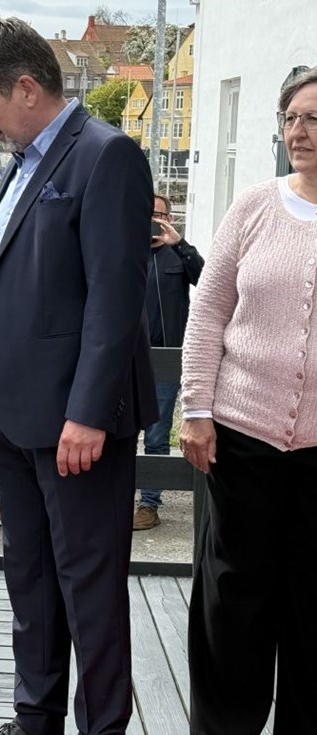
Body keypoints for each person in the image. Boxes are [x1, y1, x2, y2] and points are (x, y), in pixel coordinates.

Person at [0, 18, 156, 735]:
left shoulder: (106, 155)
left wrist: (89, 413)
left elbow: (115, 298)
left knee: (88, 588)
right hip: (14, 419)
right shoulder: (24, 159)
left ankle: (101, 733)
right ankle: (35, 720)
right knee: (30, 580)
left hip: (76, 423)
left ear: (26, 88)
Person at [181, 66, 317, 735]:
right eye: (291, 118)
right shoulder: (255, 206)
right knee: (232, 603)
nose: (299, 131)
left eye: (314, 118)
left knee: (312, 607)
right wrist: (195, 408)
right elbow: (208, 312)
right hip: (241, 439)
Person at [133, 193, 204, 530]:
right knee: (119, 433)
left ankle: (149, 504)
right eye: (147, 213)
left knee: (157, 435)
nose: (153, 219)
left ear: (169, 219)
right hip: (125, 361)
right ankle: (115, 497)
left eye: (159, 214)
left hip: (165, 361)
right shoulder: (124, 253)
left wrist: (181, 245)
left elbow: (207, 280)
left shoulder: (177, 255)